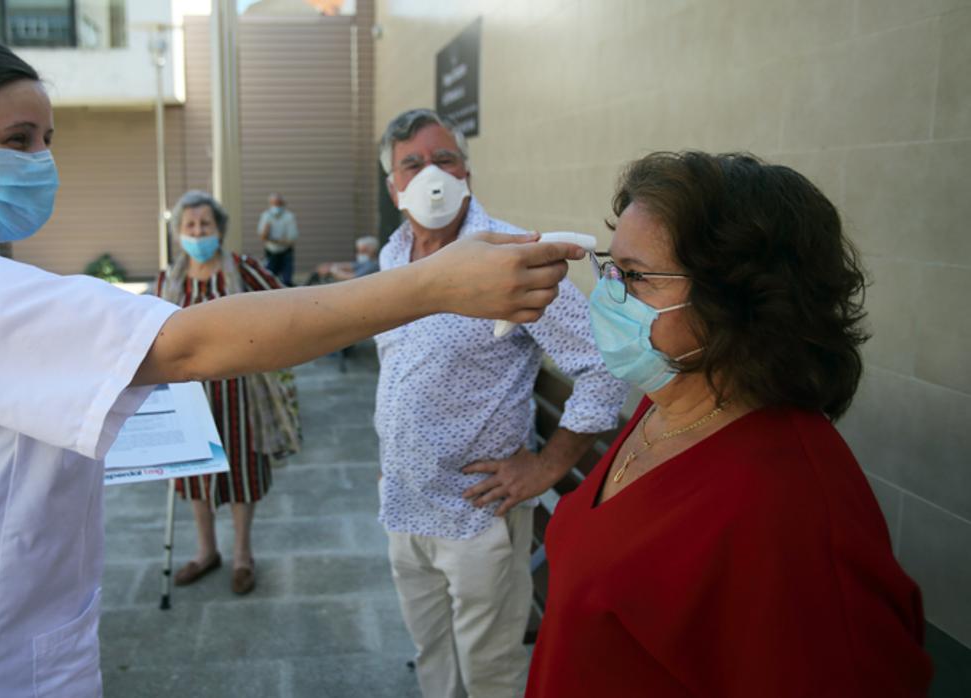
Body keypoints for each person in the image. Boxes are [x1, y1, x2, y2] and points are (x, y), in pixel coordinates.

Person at [0, 37, 584, 698]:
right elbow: (188, 342)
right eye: (17, 140)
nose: (41, 162)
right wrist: (430, 286)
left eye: (46, 140)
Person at [525, 151, 932, 696]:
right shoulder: (669, 400)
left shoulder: (792, 511)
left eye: (637, 276)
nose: (608, 294)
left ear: (737, 301)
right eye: (611, 268)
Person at [372, 108, 630, 698]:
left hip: (475, 514)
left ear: (468, 170)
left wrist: (545, 466)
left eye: (445, 159)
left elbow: (603, 365)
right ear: (394, 186)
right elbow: (398, 367)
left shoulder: (513, 256)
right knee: (430, 652)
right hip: (404, 501)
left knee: (490, 670)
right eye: (412, 164)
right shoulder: (393, 255)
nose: (431, 174)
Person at [156, 190, 297, 596]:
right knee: (194, 478)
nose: (198, 232)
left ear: (219, 229)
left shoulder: (242, 269)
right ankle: (206, 552)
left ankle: (242, 556)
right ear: (179, 232)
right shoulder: (169, 278)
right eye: (190, 226)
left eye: (205, 225)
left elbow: (280, 303)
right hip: (187, 396)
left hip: (240, 393)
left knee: (241, 475)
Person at [257, 192, 298, 284]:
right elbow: (262, 236)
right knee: (269, 280)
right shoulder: (266, 216)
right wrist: (266, 234)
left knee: (286, 281)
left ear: (283, 204)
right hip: (271, 253)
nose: (276, 206)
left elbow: (291, 239)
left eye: (278, 203)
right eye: (274, 203)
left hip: (285, 253)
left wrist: (274, 240)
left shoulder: (289, 217)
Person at [308, 235, 381, 284]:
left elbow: (353, 278)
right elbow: (350, 265)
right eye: (358, 251)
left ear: (372, 250)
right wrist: (329, 266)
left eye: (363, 251)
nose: (359, 254)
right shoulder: (366, 262)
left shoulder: (374, 265)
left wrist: (333, 270)